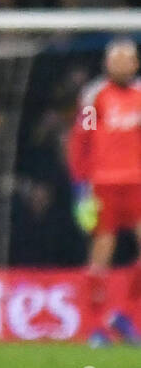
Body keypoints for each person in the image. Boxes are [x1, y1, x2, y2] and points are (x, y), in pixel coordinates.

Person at [66, 38, 141, 346]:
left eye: (128, 59)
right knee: (101, 255)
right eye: (116, 60)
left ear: (136, 64)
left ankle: (124, 314)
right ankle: (95, 326)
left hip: (137, 183)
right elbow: (80, 141)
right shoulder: (96, 96)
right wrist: (79, 187)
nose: (122, 65)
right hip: (104, 184)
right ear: (107, 65)